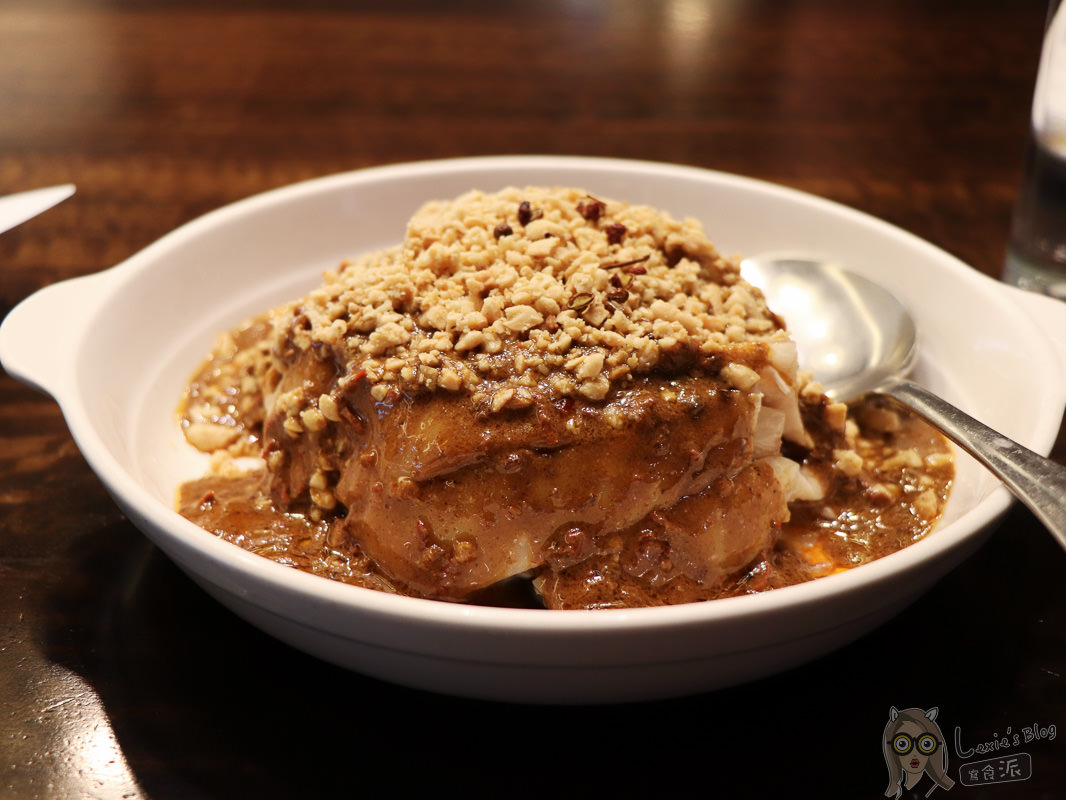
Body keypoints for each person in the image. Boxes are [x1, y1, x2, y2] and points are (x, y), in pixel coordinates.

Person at [883, 706, 956, 798]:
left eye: (925, 744)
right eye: (902, 744)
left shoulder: (942, 790)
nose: (915, 754)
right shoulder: (894, 791)